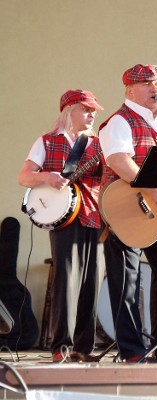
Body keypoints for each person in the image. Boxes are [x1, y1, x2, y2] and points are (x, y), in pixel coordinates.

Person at [98, 64, 157, 362]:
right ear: (129, 89)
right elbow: (118, 160)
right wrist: (152, 187)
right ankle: (132, 350)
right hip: (125, 210)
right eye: (146, 84)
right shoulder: (118, 121)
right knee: (127, 282)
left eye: (156, 82)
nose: (155, 88)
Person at [18, 89, 104, 362]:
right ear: (69, 111)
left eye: (93, 111)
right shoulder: (47, 141)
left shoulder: (100, 144)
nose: (91, 115)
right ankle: (61, 347)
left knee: (92, 281)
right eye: (86, 109)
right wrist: (47, 177)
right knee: (66, 280)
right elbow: (24, 177)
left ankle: (83, 348)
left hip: (94, 214)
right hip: (63, 217)